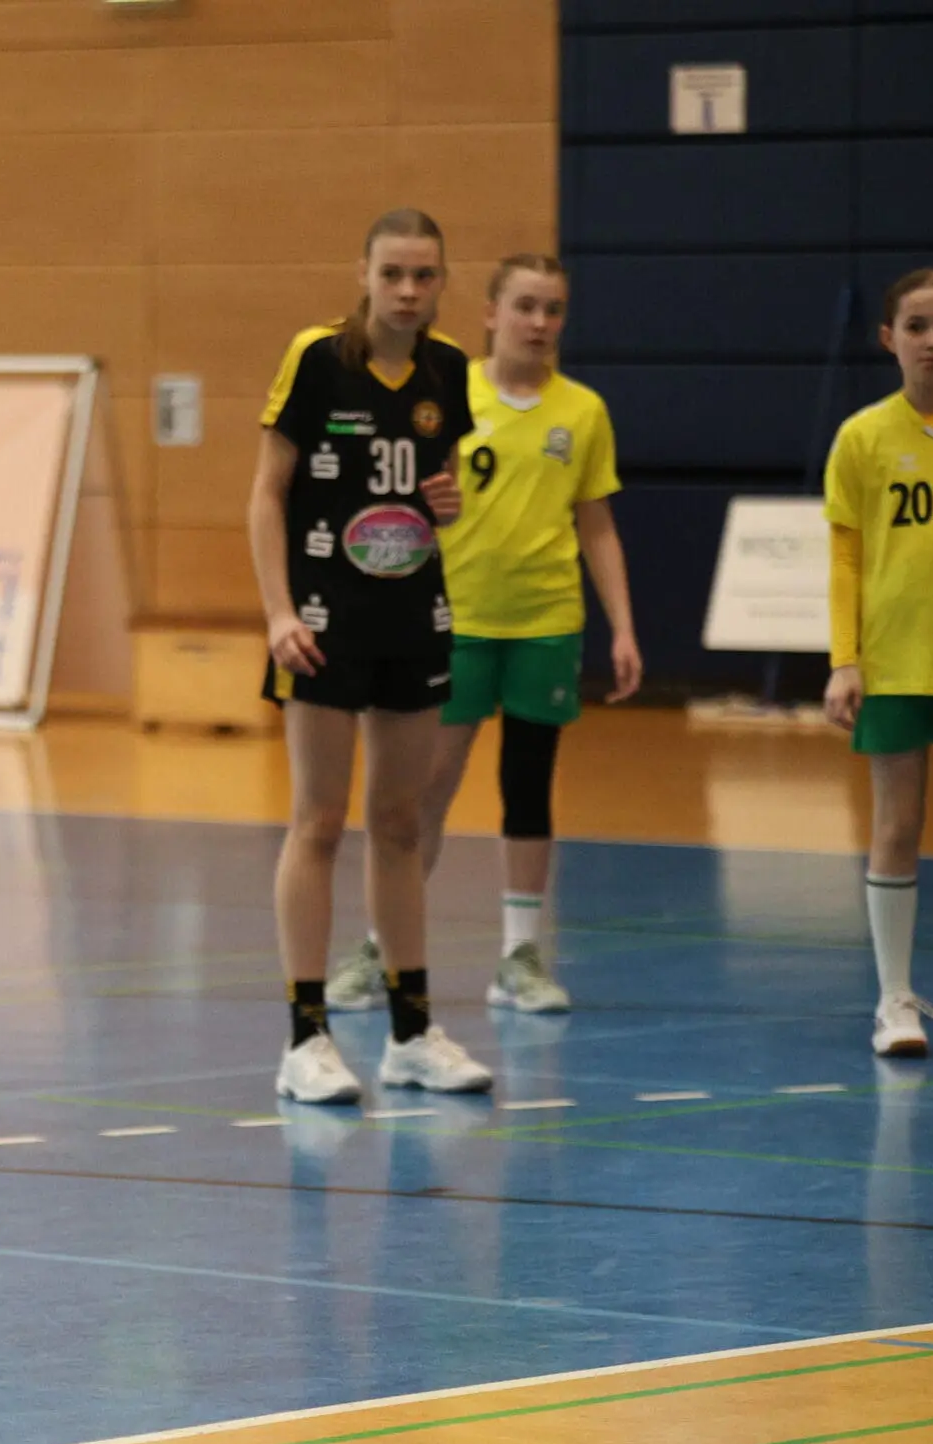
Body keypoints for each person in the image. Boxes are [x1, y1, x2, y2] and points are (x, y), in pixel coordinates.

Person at [328, 255, 640, 1018]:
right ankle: (380, 948)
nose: (540, 322)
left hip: (545, 622)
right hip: (452, 620)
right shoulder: (444, 392)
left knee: (528, 788)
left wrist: (624, 626)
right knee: (421, 792)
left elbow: (596, 522)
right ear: (492, 314)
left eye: (554, 309)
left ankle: (520, 958)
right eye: (526, 306)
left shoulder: (583, 411)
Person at [249, 209, 495, 1104]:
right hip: (322, 619)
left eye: (424, 275)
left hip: (413, 612)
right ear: (363, 273)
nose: (407, 290)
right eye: (392, 273)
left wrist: (447, 503)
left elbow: (435, 490)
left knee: (399, 822)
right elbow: (267, 494)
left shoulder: (450, 369)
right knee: (317, 820)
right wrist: (279, 611)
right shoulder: (316, 357)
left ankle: (411, 1033)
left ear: (442, 282)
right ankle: (304, 1040)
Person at [822, 266, 933, 1057]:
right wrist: (846, 659)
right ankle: (894, 998)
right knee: (897, 826)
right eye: (918, 326)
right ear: (888, 338)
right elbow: (845, 557)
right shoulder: (863, 437)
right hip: (897, 664)